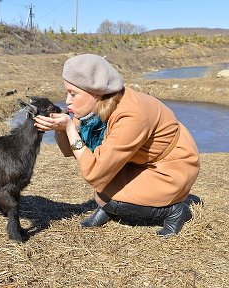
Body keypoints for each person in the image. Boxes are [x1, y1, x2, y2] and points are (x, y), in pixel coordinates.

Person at [34, 53, 201, 237]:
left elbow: (94, 174)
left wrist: (69, 128)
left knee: (110, 201)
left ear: (96, 92)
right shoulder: (97, 107)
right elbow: (69, 151)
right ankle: (107, 206)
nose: (67, 101)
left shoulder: (132, 114)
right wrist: (60, 129)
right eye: (67, 92)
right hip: (140, 162)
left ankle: (175, 210)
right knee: (103, 193)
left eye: (73, 94)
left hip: (173, 166)